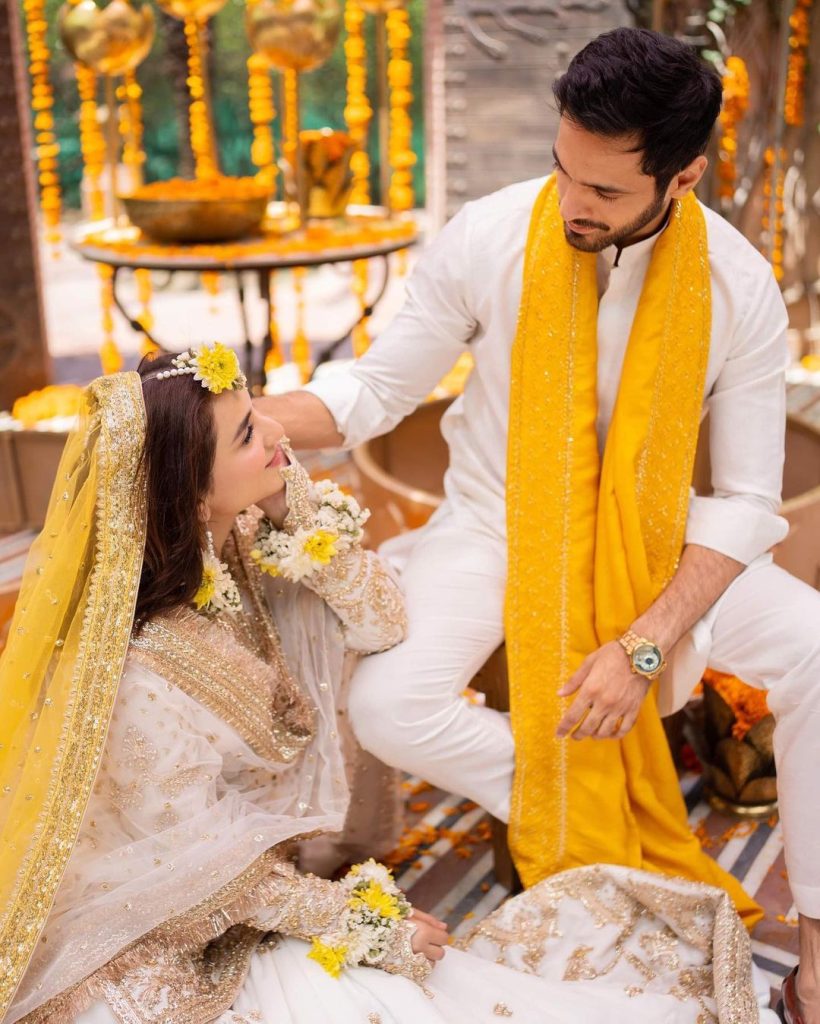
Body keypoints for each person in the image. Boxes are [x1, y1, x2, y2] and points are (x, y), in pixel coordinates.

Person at [256, 27, 820, 1023]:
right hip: (494, 520)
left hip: (653, 541)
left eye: (604, 193)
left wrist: (643, 644)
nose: (572, 204)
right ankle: (580, 805)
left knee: (815, 645)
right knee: (386, 702)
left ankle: (816, 934)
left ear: (681, 178)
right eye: (564, 171)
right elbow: (377, 390)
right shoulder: (489, 234)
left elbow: (740, 501)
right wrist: (248, 419)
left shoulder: (736, 288)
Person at [0, 348, 775, 1024]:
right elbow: (209, 870)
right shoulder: (140, 669)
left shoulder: (239, 543)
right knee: (385, 990)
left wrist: (295, 510)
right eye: (246, 433)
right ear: (191, 492)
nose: (276, 430)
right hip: (153, 930)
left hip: (244, 884)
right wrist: (363, 922)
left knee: (414, 979)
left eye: (258, 410)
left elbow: (381, 622)